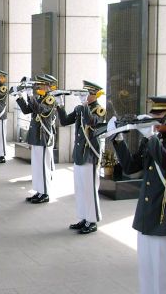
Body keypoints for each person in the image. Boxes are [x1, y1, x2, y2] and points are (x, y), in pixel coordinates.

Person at [110, 96, 166, 294]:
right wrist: (117, 139)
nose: (155, 121)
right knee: (147, 272)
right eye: (153, 115)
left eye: (160, 116)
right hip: (146, 215)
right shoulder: (154, 139)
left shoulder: (163, 141)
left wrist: (150, 138)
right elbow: (131, 167)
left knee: (164, 276)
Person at [56, 81, 106, 234]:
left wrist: (84, 106)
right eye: (84, 93)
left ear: (95, 94)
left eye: (88, 94)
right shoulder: (80, 108)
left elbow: (92, 123)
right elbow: (65, 121)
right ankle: (84, 217)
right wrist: (60, 104)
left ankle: (92, 220)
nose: (85, 96)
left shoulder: (100, 109)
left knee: (90, 189)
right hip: (79, 154)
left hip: (90, 154)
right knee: (80, 189)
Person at [14, 74, 58, 204]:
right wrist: (20, 97)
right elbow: (28, 110)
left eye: (42, 84)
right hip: (36, 136)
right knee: (37, 167)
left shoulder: (50, 100)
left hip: (43, 137)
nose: (39, 86)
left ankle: (45, 193)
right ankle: (39, 191)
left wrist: (30, 95)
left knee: (43, 167)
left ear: (49, 86)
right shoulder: (41, 98)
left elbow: (40, 110)